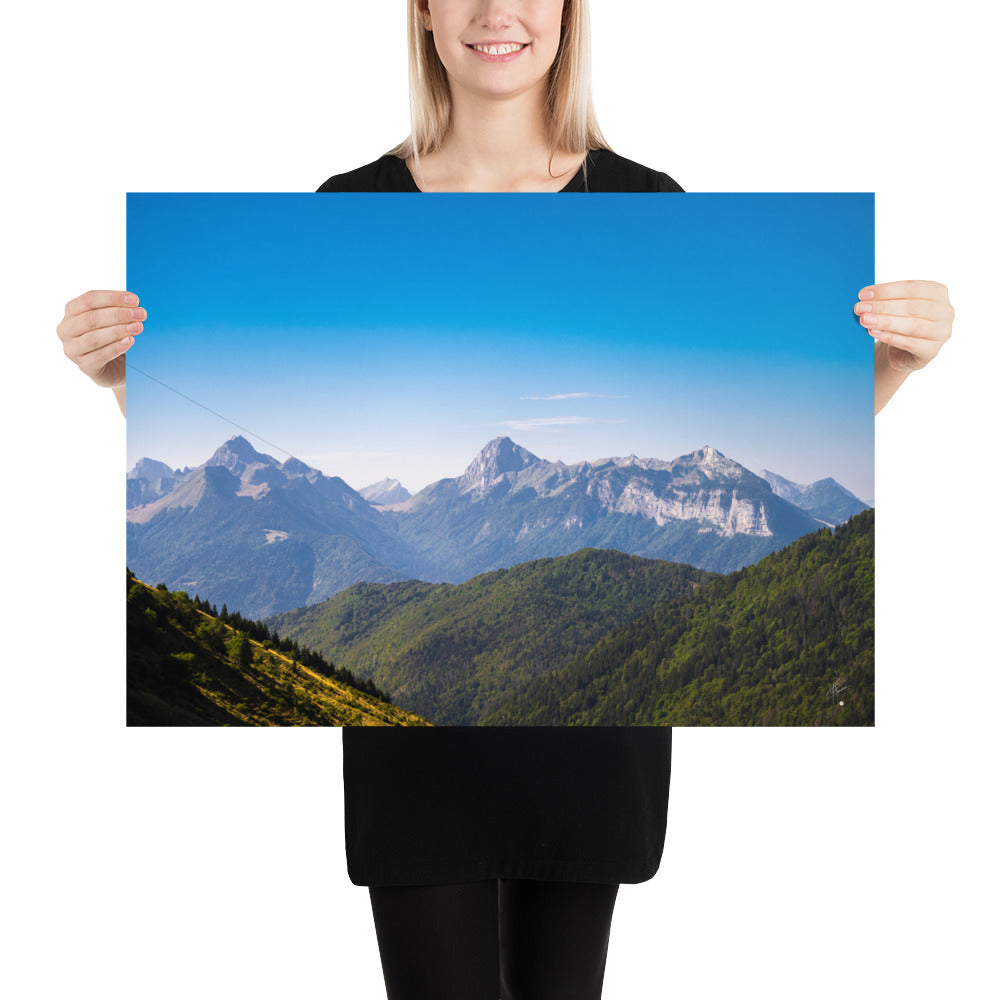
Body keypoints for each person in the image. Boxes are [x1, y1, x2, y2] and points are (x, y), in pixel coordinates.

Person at [55, 2, 954, 997]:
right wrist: (123, 380)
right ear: (424, 12)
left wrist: (894, 367)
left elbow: (824, 433)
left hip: (587, 768)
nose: (496, 11)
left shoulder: (648, 200)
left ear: (570, 12)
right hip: (417, 779)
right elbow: (187, 458)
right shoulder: (347, 202)